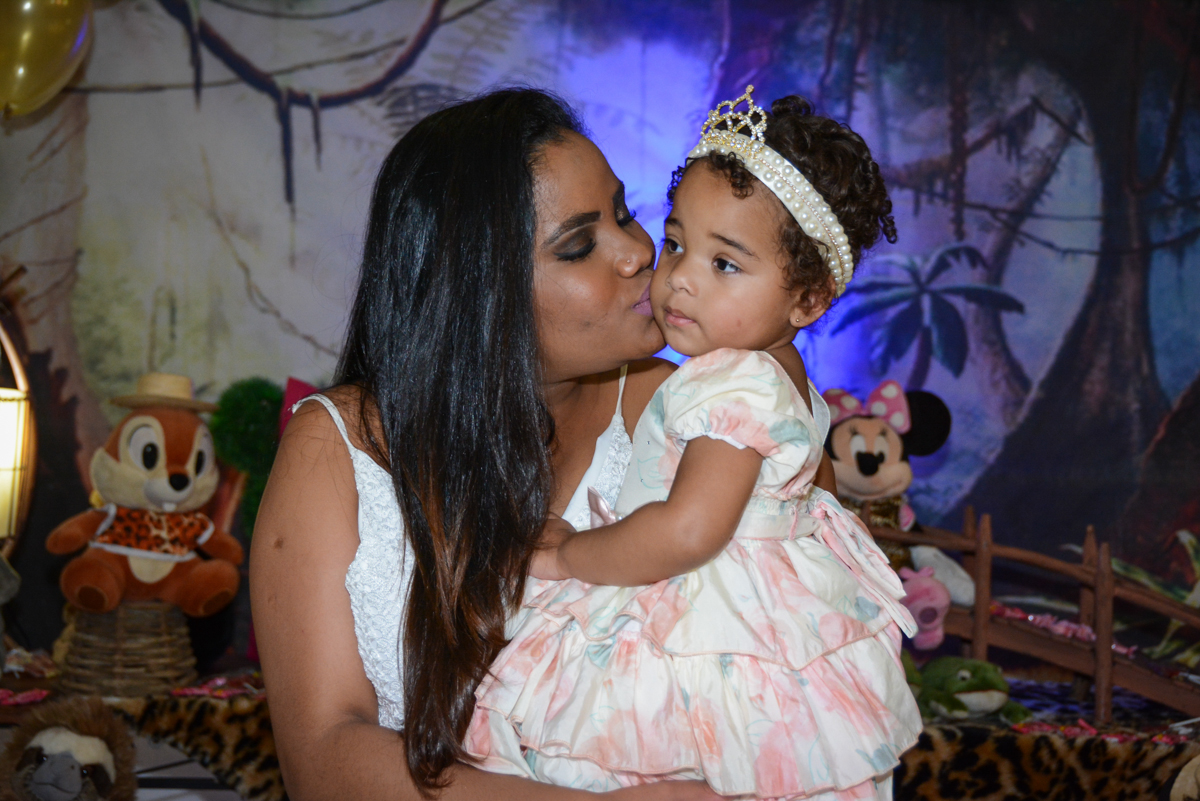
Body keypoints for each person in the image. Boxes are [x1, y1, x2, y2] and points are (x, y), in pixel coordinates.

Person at [250, 89, 725, 801]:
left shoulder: (693, 410)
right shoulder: (338, 449)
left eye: (624, 212)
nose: (637, 252)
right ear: (477, 290)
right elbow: (323, 753)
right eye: (579, 244)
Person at [466, 87, 921, 800]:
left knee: (611, 739)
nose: (679, 278)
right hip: (770, 624)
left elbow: (687, 530)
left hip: (708, 619)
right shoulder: (785, 375)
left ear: (808, 300)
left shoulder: (733, 385)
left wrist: (569, 551)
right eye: (677, 242)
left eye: (726, 264)